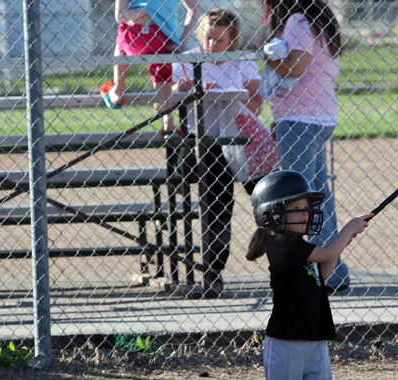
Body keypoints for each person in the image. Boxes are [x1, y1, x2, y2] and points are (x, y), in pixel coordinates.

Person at [245, 170, 371, 380]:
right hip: (285, 343)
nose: (306, 214)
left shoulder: (300, 247)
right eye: (297, 208)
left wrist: (345, 240)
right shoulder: (282, 244)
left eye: (306, 208)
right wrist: (347, 230)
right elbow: (327, 253)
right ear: (273, 213)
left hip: (315, 341)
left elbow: (320, 276)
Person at [171, 8, 278, 297]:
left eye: (219, 40)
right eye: (208, 38)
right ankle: (213, 272)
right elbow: (165, 103)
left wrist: (227, 92)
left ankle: (282, 260)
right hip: (205, 144)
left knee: (267, 198)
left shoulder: (239, 60)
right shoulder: (189, 60)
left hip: (242, 141)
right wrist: (182, 90)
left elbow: (256, 103)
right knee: (217, 208)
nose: (211, 45)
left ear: (232, 41)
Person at [258, 0, 349, 294]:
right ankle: (333, 272)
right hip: (316, 117)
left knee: (297, 202)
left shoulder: (298, 20)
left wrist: (266, 55)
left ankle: (306, 270)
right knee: (316, 195)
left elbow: (296, 67)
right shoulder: (316, 19)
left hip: (300, 119)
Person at [100, 0, 201, 136]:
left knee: (121, 40)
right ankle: (168, 122)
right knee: (163, 71)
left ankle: (118, 89)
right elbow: (196, 9)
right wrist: (182, 43)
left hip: (133, 36)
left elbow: (120, 16)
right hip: (162, 37)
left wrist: (146, 10)